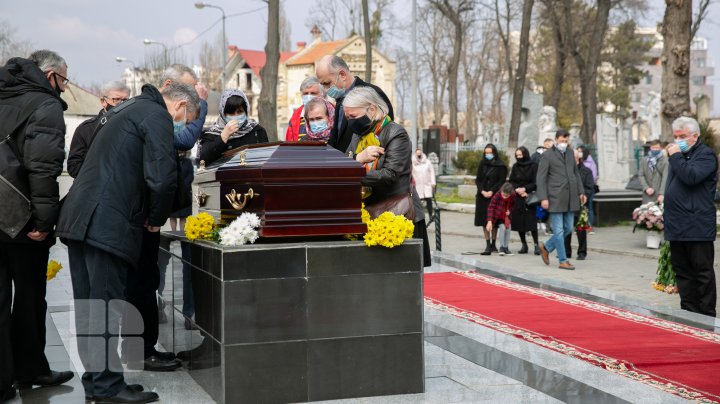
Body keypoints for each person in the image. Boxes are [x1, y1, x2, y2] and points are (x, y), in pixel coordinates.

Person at [56, 81, 200, 403]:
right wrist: (155, 218)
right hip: (106, 223)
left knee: (91, 307)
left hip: (81, 218)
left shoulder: (129, 108)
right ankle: (107, 386)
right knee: (106, 307)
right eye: (186, 119)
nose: (182, 125)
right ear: (179, 106)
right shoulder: (157, 116)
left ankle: (97, 381)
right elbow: (162, 177)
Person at [0, 50, 74, 402]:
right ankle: (29, 368)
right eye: (64, 80)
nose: (64, 87)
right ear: (50, 76)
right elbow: (43, 169)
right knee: (30, 298)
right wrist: (44, 221)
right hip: (22, 220)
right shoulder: (45, 107)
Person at [345, 86, 431, 266]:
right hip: (371, 212)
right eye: (347, 118)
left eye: (353, 117)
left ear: (372, 109)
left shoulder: (395, 133)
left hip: (399, 212)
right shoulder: (358, 136)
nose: (350, 122)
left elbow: (389, 175)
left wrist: (352, 174)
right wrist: (356, 160)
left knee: (403, 273)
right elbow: (346, 161)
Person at [664, 116, 717, 317]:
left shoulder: (706, 155)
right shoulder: (679, 156)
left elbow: (691, 177)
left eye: (683, 136)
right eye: (676, 136)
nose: (678, 140)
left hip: (697, 225)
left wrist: (675, 156)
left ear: (695, 136)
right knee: (683, 273)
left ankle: (706, 314)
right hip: (677, 224)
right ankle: (688, 312)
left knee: (702, 272)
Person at [315, 55, 394, 153]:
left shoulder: (372, 94)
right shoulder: (340, 100)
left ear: (342, 75)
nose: (326, 89)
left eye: (327, 83)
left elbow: (386, 133)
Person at [536, 129, 587, 270]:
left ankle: (546, 247)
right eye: (562, 140)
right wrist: (543, 197)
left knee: (568, 228)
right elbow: (541, 178)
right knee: (558, 230)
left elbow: (576, 173)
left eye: (566, 141)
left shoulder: (570, 153)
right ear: (556, 139)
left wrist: (581, 191)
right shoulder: (547, 155)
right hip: (555, 197)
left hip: (571, 197)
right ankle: (563, 260)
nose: (564, 143)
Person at [67, 80, 130, 178]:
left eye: (126, 100)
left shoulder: (134, 127)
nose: (121, 104)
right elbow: (73, 167)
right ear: (103, 101)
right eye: (116, 100)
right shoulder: (86, 129)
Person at [198, 88, 269, 166]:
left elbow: (266, 159)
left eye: (240, 112)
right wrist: (223, 137)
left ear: (246, 111)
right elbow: (203, 161)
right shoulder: (211, 134)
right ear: (223, 114)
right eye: (231, 113)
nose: (236, 116)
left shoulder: (257, 131)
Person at [474, 144, 508, 255]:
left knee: (494, 220)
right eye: (486, 153)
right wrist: (482, 191)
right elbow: (478, 180)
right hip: (482, 196)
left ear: (494, 152)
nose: (488, 155)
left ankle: (494, 244)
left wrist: (492, 191)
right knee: (484, 220)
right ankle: (487, 244)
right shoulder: (482, 164)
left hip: (495, 196)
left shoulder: (501, 166)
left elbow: (501, 181)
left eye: (490, 152)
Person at [564, 147, 595, 260]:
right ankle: (566, 252)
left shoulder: (586, 171)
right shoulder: (565, 171)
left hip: (580, 204)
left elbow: (589, 187)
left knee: (581, 229)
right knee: (567, 228)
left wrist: (583, 195)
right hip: (566, 203)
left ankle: (582, 252)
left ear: (577, 159)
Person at [509, 147, 539, 254]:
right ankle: (524, 245)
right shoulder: (515, 166)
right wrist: (517, 189)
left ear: (525, 155)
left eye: (520, 155)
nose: (519, 157)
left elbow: (536, 182)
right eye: (517, 156)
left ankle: (536, 245)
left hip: (529, 196)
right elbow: (512, 180)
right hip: (518, 196)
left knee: (531, 222)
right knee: (519, 221)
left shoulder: (533, 166)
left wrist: (526, 189)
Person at [286, 76, 324, 141]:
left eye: (313, 93)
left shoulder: (331, 113)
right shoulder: (295, 117)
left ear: (321, 94)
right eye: (305, 93)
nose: (309, 96)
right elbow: (289, 143)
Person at [486, 182, 516, 256]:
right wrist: (489, 221)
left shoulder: (513, 195)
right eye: (504, 194)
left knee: (508, 229)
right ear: (502, 190)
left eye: (507, 195)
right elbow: (491, 207)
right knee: (502, 228)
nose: (505, 196)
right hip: (498, 216)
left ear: (510, 193)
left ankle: (506, 247)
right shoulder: (497, 195)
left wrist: (510, 211)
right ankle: (501, 247)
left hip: (506, 217)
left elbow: (513, 206)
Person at [638, 139, 668, 205]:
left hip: (660, 195)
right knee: (647, 213)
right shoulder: (644, 160)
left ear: (660, 148)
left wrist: (662, 193)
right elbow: (641, 175)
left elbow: (665, 177)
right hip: (647, 194)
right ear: (650, 148)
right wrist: (646, 188)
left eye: (657, 148)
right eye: (653, 147)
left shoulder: (665, 161)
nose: (655, 149)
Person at [578, 145, 598, 232]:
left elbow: (593, 176)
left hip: (588, 187)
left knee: (589, 207)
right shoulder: (577, 162)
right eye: (577, 151)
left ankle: (589, 225)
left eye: (580, 151)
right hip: (579, 188)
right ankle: (580, 225)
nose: (579, 153)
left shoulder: (590, 163)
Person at [412, 149, 436, 219]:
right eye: (417, 154)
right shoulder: (413, 163)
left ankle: (431, 215)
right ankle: (419, 216)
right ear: (416, 154)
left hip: (427, 185)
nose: (419, 155)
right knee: (418, 202)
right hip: (417, 185)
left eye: (420, 154)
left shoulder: (427, 162)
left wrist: (433, 182)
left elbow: (432, 172)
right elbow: (411, 174)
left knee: (429, 201)